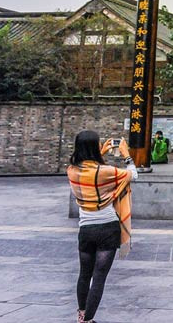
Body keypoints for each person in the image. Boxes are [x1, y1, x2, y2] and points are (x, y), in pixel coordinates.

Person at [66, 131, 136, 323]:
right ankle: (89, 320)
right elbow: (133, 175)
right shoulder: (105, 171)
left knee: (84, 274)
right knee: (99, 277)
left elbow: (91, 174)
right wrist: (126, 155)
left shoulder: (71, 170)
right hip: (107, 229)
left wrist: (100, 156)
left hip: (85, 230)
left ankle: (82, 317)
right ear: (93, 148)